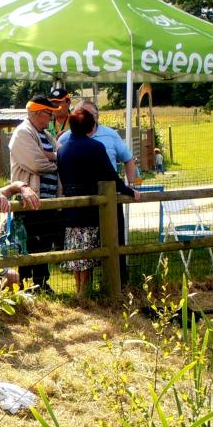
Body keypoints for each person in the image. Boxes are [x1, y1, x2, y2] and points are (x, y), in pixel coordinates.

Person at [57, 106, 133, 294]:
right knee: (91, 249)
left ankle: (80, 290)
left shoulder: (62, 150)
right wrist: (128, 190)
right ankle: (91, 290)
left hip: (71, 207)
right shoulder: (95, 147)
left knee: (77, 250)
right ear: (90, 127)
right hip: (92, 207)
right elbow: (110, 175)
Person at [8, 94, 63, 293]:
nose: (51, 118)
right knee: (29, 244)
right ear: (38, 113)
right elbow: (36, 163)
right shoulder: (23, 133)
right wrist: (55, 162)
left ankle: (41, 283)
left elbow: (62, 155)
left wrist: (54, 157)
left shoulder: (46, 135)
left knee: (44, 244)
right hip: (29, 202)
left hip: (48, 201)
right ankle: (25, 285)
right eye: (49, 113)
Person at [57, 100, 137, 186]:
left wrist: (131, 185)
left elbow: (128, 159)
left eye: (87, 115)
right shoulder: (64, 139)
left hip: (108, 191)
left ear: (97, 116)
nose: (83, 118)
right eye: (79, 115)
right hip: (76, 194)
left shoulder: (110, 135)